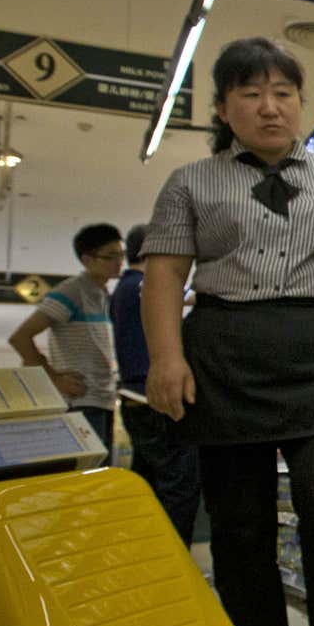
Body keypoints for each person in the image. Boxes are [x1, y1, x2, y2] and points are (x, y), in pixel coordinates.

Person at [141, 37, 314, 626]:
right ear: (224, 109)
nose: (269, 107)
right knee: (239, 521)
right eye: (251, 94)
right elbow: (165, 277)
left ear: (299, 103)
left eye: (283, 93)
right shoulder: (190, 183)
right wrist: (165, 359)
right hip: (225, 351)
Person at [111, 222, 201, 541]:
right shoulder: (146, 284)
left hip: (134, 398)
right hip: (154, 399)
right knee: (180, 486)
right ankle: (174, 564)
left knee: (148, 484)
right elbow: (198, 296)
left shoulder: (123, 288)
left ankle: (144, 560)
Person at [9, 223, 124, 457]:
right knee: (87, 471)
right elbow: (20, 338)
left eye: (121, 255)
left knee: (100, 471)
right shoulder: (72, 291)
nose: (118, 262)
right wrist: (53, 377)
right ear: (87, 259)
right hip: (81, 400)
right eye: (110, 256)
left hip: (102, 398)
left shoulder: (102, 294)